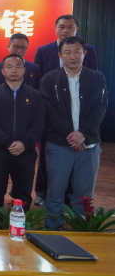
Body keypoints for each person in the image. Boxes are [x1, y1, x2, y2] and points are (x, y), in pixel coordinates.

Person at [40, 37, 107, 230]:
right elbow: (50, 111)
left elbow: (100, 109)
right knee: (55, 192)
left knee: (83, 195)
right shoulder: (49, 79)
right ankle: (53, 228)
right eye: (67, 52)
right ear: (60, 56)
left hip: (89, 145)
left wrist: (83, 134)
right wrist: (72, 135)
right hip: (59, 145)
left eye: (77, 52)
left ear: (84, 54)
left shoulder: (97, 78)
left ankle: (81, 229)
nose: (73, 56)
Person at [33, 14, 99, 206]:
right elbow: (38, 81)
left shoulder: (88, 51)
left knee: (78, 165)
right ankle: (43, 192)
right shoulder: (44, 50)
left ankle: (71, 197)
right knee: (47, 158)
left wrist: (81, 133)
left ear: (76, 29)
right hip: (52, 117)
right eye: (61, 27)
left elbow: (94, 85)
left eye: (70, 27)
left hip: (82, 115)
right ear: (56, 29)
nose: (65, 30)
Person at [0, 54, 45, 213]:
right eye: (9, 67)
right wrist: (7, 142)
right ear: (2, 71)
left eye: (18, 67)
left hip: (26, 152)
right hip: (0, 151)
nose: (14, 70)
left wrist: (24, 143)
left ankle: (20, 223)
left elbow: (39, 123)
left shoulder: (35, 95)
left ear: (24, 70)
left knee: (23, 192)